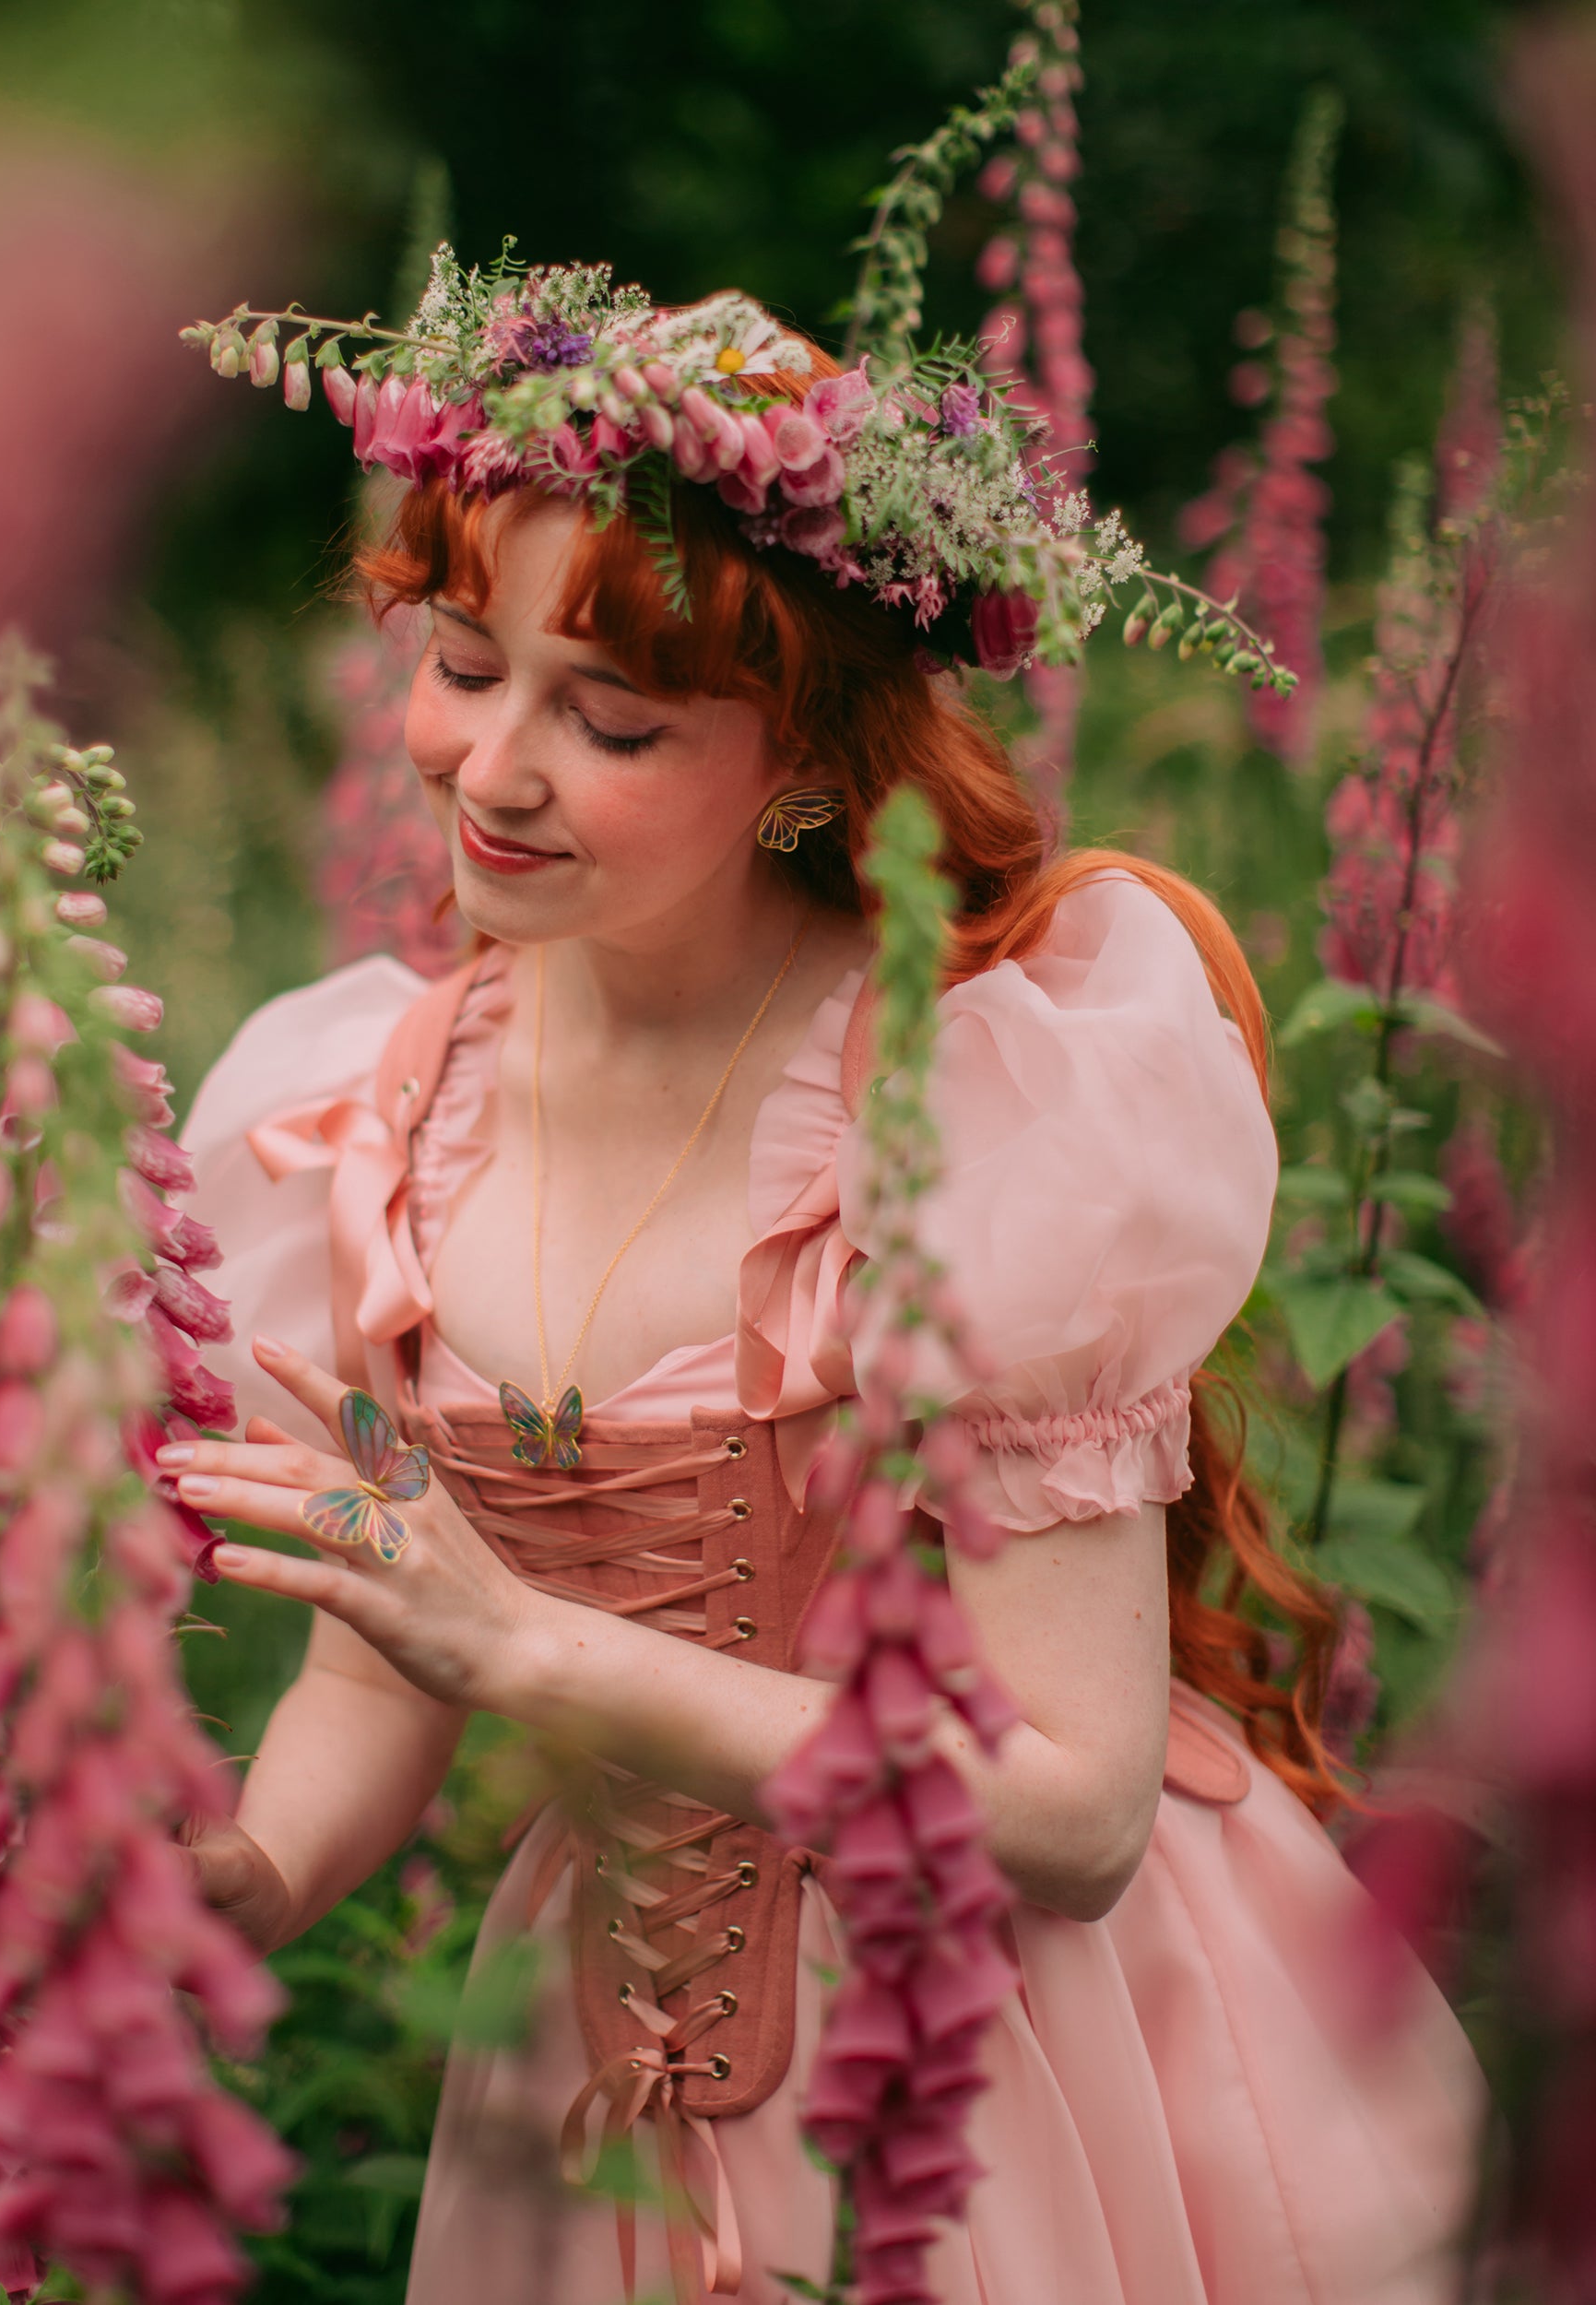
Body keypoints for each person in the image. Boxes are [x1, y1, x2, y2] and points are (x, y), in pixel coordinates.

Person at [168, 266, 1482, 2302]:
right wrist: (249, 1875)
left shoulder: (973, 1110)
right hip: (586, 2052)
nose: (489, 769)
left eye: (609, 718)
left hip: (999, 2053)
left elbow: (1069, 1810)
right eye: (458, 662)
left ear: (795, 755)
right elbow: (376, 1648)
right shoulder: (365, 1108)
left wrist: (526, 1651)